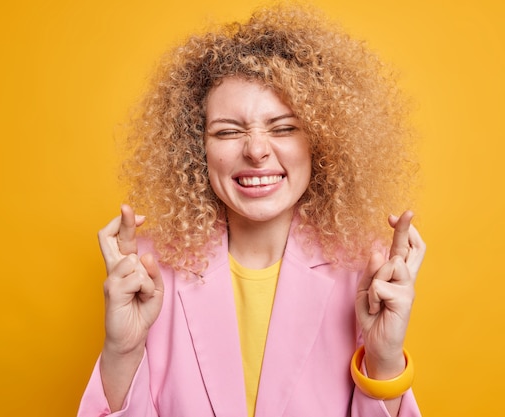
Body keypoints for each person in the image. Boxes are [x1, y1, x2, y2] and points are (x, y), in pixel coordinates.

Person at [78, 4, 426, 417]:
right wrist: (122, 350)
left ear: (321, 141)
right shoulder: (148, 272)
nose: (257, 151)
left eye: (283, 128)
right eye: (228, 131)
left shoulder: (366, 272)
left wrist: (384, 359)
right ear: (195, 148)